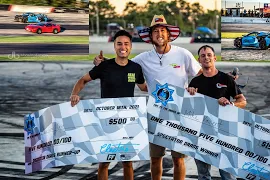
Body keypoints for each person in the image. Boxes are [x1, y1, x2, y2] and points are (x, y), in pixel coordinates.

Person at [94, 15, 202, 180]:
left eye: (163, 31)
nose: (159, 34)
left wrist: (204, 83)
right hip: (156, 115)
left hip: (180, 114)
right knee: (155, 159)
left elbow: (200, 75)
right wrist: (103, 63)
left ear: (169, 35)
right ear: (151, 36)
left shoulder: (183, 54)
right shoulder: (143, 59)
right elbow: (123, 66)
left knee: (178, 159)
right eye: (156, 31)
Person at [70, 30, 147, 180]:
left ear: (131, 46)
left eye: (126, 44)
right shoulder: (104, 66)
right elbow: (83, 80)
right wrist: (75, 94)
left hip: (127, 121)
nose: (122, 47)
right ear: (114, 46)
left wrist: (168, 91)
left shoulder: (135, 68)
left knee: (127, 163)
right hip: (106, 120)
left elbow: (144, 87)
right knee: (104, 162)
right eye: (119, 44)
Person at [187, 45, 247, 180]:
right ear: (199, 60)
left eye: (209, 55)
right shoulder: (195, 82)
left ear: (215, 57)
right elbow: (190, 109)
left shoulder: (226, 79)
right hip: (202, 132)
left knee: (227, 174)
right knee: (203, 175)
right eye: (203, 56)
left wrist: (230, 104)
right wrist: (189, 95)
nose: (206, 58)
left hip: (225, 131)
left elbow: (242, 101)